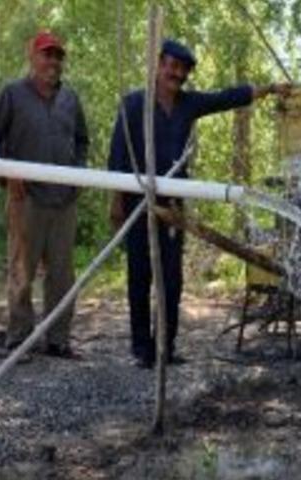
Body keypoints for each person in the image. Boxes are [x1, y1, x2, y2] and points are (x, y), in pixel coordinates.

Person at [107, 39, 291, 369]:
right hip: (138, 202)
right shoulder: (133, 104)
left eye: (183, 69)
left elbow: (227, 97)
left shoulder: (188, 104)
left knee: (171, 279)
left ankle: (165, 345)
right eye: (172, 66)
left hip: (174, 206)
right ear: (159, 64)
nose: (176, 74)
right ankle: (141, 348)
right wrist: (115, 200)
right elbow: (118, 153)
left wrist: (271, 88)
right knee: (139, 275)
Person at [0, 31, 89, 359]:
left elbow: (82, 140)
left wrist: (77, 176)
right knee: (22, 270)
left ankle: (58, 340)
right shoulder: (13, 94)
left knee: (62, 275)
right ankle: (19, 338)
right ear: (32, 57)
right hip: (26, 199)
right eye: (47, 54)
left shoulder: (71, 99)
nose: (53, 62)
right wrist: (7, 172)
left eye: (58, 56)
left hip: (64, 201)